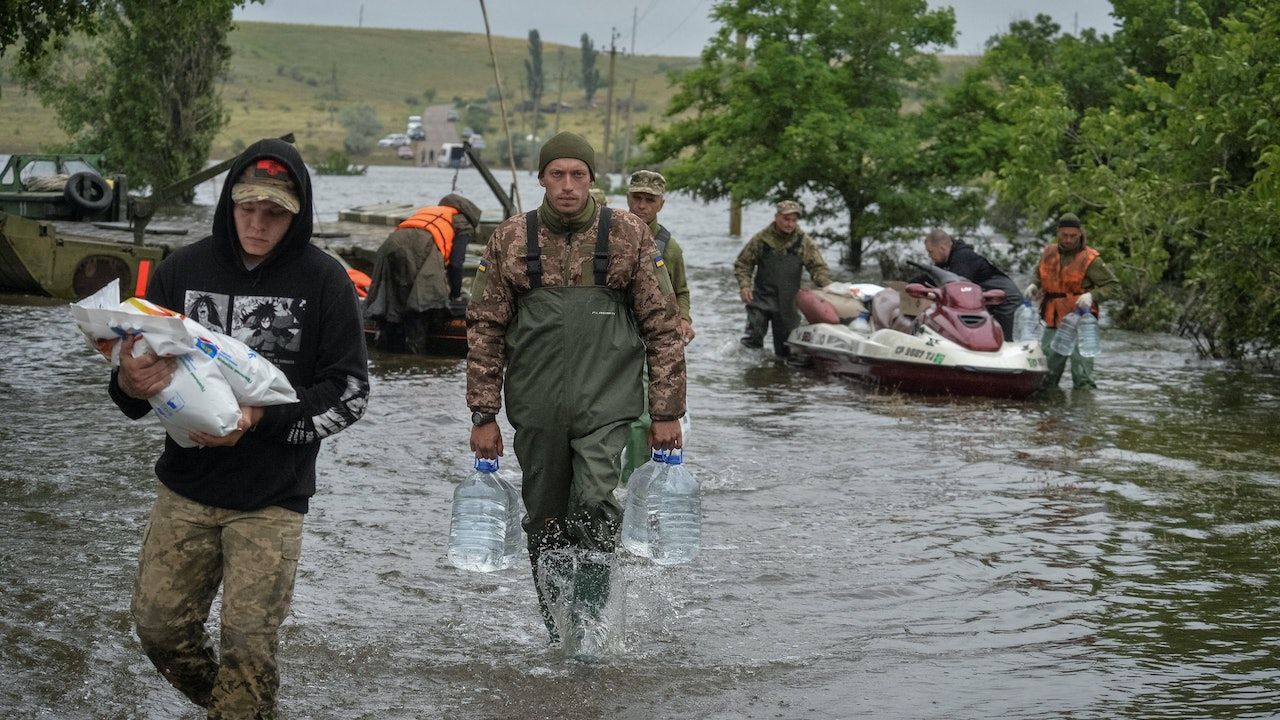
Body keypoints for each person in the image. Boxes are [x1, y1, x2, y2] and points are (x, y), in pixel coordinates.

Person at [109, 138, 370, 717]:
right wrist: (132, 380)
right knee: (158, 631)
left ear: (297, 213)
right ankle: (239, 709)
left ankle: (243, 706)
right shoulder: (182, 268)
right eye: (246, 209)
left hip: (272, 499)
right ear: (228, 203)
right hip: (184, 488)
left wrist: (258, 419)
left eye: (274, 213)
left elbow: (349, 396)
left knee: (248, 647)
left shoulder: (326, 281)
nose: (257, 224)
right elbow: (126, 392)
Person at [466, 131, 686, 647]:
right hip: (536, 408)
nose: (568, 186)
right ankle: (556, 631)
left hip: (608, 405)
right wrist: (482, 415)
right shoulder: (510, 239)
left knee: (594, 503)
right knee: (543, 519)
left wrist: (666, 411)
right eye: (557, 174)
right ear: (542, 179)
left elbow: (663, 326)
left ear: (593, 180)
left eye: (578, 175)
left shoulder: (629, 235)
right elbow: (484, 329)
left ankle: (587, 630)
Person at [621, 169, 693, 480]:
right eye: (637, 198)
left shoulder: (669, 248)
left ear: (660, 204)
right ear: (628, 199)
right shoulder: (610, 234)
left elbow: (681, 291)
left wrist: (685, 319)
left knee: (643, 416)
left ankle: (634, 481)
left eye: (649, 200)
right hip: (612, 334)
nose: (641, 205)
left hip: (649, 339)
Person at [364, 193, 481, 352]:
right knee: (422, 307)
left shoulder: (430, 211)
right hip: (421, 248)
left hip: (390, 244)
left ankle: (384, 357)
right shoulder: (463, 222)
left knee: (391, 305)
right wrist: (455, 296)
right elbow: (456, 264)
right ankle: (416, 359)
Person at [1025, 212, 1119, 389]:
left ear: (1080, 234)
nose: (1068, 240)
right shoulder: (1048, 252)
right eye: (1064, 235)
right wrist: (1033, 285)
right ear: (1058, 233)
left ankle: (1082, 411)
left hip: (1081, 321)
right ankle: (1049, 413)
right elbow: (1039, 274)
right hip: (1053, 319)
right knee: (1045, 375)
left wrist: (1092, 296)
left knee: (1082, 376)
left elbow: (1113, 286)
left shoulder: (1091, 259)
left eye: (1073, 236)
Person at [734, 200, 832, 356]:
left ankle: (780, 377)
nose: (790, 224)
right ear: (776, 217)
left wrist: (827, 287)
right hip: (761, 299)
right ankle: (751, 375)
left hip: (788, 302)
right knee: (752, 342)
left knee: (786, 350)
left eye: (794, 220)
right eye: (786, 219)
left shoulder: (803, 242)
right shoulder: (761, 239)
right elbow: (743, 263)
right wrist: (745, 286)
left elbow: (818, 267)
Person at [911, 228, 1024, 340]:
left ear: (942, 248)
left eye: (930, 251)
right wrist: (911, 284)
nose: (929, 256)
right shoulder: (950, 259)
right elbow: (934, 275)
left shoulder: (963, 258)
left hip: (1006, 301)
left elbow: (954, 286)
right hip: (991, 300)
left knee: (1004, 342)